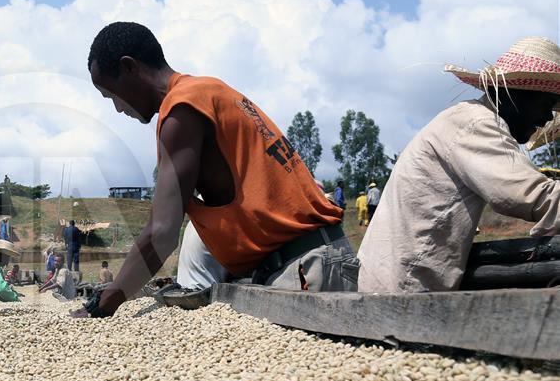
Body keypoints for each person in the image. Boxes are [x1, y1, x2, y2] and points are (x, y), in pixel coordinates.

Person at [74, 22, 351, 318]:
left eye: (112, 95)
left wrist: (104, 305)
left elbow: (161, 233)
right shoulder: (209, 89)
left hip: (307, 268)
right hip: (314, 258)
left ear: (129, 68)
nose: (118, 108)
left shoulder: (182, 108)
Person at [359, 37, 560, 293]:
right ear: (515, 95)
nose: (545, 119)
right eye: (544, 106)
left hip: (395, 278)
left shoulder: (465, 118)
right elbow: (530, 196)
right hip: (406, 286)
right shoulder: (477, 124)